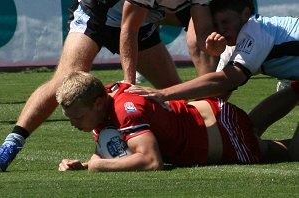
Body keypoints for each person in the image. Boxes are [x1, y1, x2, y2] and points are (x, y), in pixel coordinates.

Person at [0, 0, 192, 172]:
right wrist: (128, 82)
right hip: (98, 13)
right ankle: (11, 143)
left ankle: (195, 138)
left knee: (176, 93)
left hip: (137, 23)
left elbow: (194, 30)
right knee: (64, 79)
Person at [56, 71, 298, 172]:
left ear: (97, 104)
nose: (73, 124)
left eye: (77, 117)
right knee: (254, 128)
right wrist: (86, 164)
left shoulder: (124, 110)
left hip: (225, 136)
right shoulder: (104, 97)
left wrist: (98, 166)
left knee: (286, 151)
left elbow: (151, 161)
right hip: (212, 118)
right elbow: (116, 148)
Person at [125, 0, 299, 103]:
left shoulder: (254, 31)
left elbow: (226, 80)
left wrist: (164, 94)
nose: (221, 30)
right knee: (252, 126)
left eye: (225, 22)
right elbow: (215, 97)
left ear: (245, 14)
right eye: (216, 25)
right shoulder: (233, 46)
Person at [119, 0, 225, 83]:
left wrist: (212, 49)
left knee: (197, 44)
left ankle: (210, 100)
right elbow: (130, 28)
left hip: (184, 7)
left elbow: (203, 32)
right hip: (130, 11)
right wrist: (129, 80)